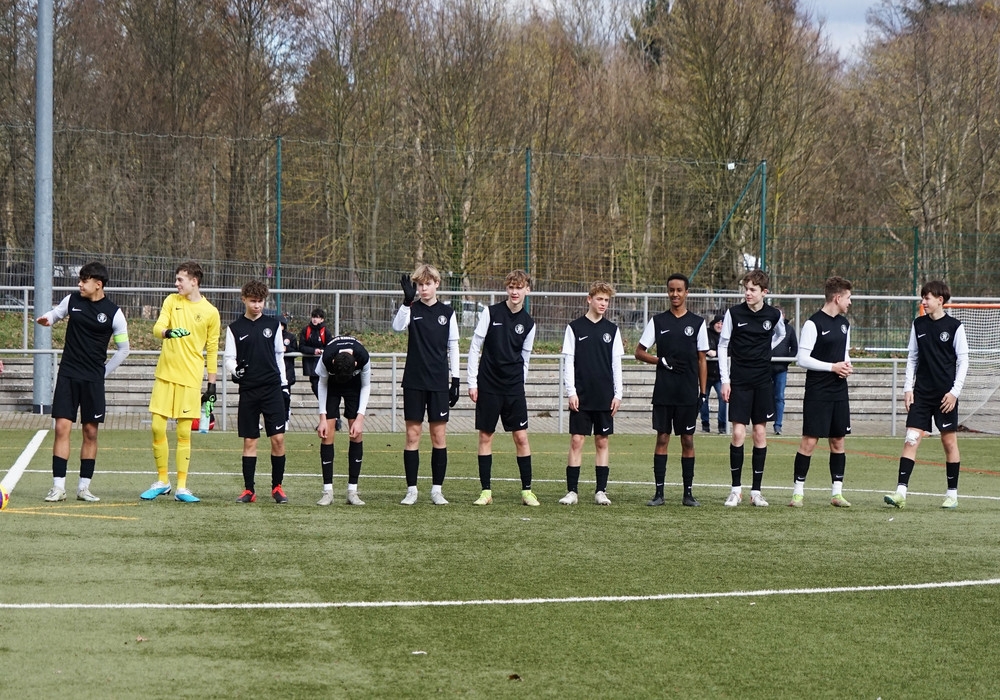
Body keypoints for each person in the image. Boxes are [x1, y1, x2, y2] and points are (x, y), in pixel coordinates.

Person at [37, 261, 130, 502]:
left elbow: (124, 349)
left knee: (90, 432)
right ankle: (58, 487)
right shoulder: (72, 300)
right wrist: (47, 318)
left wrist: (103, 372)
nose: (80, 284)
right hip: (68, 374)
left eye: (84, 280)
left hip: (93, 380)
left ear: (98, 284)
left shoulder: (114, 313)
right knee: (61, 428)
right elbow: (56, 314)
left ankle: (83, 488)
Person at [885, 280, 969, 510]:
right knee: (911, 438)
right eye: (923, 298)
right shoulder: (918, 324)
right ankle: (900, 492)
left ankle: (952, 494)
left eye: (927, 298)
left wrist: (954, 393)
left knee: (949, 441)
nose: (923, 302)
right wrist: (907, 388)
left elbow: (963, 362)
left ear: (940, 300)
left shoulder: (955, 327)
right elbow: (912, 357)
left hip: (945, 397)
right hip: (921, 394)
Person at [141, 261, 220, 503]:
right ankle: (162, 481)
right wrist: (167, 333)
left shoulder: (210, 312)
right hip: (165, 375)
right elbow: (157, 328)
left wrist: (212, 385)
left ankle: (182, 487)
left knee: (184, 432)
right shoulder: (171, 301)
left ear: (194, 281)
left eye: (180, 280)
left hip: (190, 379)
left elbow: (212, 350)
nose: (176, 284)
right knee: (157, 427)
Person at [635, 273, 707, 507]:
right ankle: (659, 494)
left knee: (688, 440)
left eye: (679, 290)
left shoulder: (697, 323)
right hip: (664, 391)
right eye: (671, 290)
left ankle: (688, 494)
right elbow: (639, 352)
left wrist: (703, 393)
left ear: (687, 293)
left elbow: (702, 360)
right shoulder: (658, 321)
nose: (675, 294)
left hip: (687, 392)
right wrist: (660, 360)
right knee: (662, 438)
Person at [467, 271, 538, 506]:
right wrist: (472, 382)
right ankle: (485, 492)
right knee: (485, 436)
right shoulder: (491, 312)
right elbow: (475, 346)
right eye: (511, 287)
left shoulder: (529, 323)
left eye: (519, 287)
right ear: (506, 289)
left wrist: (520, 385)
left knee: (521, 437)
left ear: (527, 290)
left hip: (513, 387)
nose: (515, 292)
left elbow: (525, 358)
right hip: (488, 384)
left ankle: (527, 491)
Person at [392, 263, 460, 505]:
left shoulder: (447, 313)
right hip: (414, 381)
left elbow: (453, 346)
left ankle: (436, 490)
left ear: (437, 284)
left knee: (438, 436)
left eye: (427, 284)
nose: (423, 289)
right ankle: (412, 490)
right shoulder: (412, 309)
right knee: (412, 435)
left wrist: (456, 380)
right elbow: (397, 327)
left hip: (438, 382)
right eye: (420, 285)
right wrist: (406, 302)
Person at [718, 269, 785, 507]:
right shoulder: (733, 313)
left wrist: (764, 349)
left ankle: (756, 492)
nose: (748, 293)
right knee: (738, 433)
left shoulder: (774, 315)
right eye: (746, 289)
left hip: (762, 382)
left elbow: (780, 335)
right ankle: (735, 490)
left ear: (764, 292)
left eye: (752, 290)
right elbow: (723, 345)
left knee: (759, 433)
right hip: (739, 381)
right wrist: (725, 380)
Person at [788, 277, 854, 508]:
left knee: (838, 440)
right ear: (837, 297)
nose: (850, 302)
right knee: (810, 441)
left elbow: (844, 354)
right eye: (848, 298)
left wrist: (847, 365)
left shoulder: (845, 324)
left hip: (839, 390)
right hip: (818, 391)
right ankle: (798, 493)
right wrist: (832, 367)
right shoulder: (813, 323)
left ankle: (837, 493)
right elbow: (802, 359)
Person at [560, 281, 625, 506]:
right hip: (581, 395)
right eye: (599, 299)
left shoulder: (612, 330)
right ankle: (572, 491)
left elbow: (616, 365)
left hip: (604, 396)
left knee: (602, 441)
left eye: (606, 300)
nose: (603, 304)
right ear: (589, 299)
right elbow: (569, 363)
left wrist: (618, 394)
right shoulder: (574, 328)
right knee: (577, 441)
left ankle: (601, 491)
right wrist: (571, 392)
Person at [224, 280, 290, 504]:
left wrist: (284, 385)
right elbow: (229, 359)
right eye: (253, 301)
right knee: (250, 441)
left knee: (278, 439)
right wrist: (236, 371)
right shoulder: (234, 328)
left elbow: (279, 355)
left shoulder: (273, 325)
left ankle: (277, 487)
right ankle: (249, 490)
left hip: (272, 389)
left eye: (260, 301)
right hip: (249, 390)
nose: (257, 305)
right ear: (244, 299)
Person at [316, 334, 371, 506]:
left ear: (356, 364)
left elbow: (366, 385)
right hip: (332, 386)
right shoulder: (327, 357)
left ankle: (352, 491)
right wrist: (322, 417)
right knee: (327, 433)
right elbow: (322, 384)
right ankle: (327, 491)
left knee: (356, 434)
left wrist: (360, 417)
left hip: (354, 386)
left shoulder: (362, 356)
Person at [771, 306, 798, 435]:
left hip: (781, 369)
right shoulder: (767, 327)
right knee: (763, 396)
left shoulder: (789, 329)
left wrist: (786, 361)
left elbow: (795, 348)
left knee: (779, 397)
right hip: (765, 369)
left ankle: (778, 425)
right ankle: (760, 423)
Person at [701, 314, 727, 434]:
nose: (720, 325)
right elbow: (700, 346)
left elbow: (731, 349)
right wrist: (708, 352)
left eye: (722, 323)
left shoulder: (727, 335)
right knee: (703, 399)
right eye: (718, 323)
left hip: (720, 375)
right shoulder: (706, 333)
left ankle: (722, 425)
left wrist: (717, 353)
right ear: (714, 323)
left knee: (723, 398)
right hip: (706, 373)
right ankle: (705, 424)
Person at [299, 308, 329, 398]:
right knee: (315, 384)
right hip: (311, 362)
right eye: (313, 317)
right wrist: (313, 351)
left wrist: (322, 351)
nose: (315, 319)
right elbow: (301, 346)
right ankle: (323, 402)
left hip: (322, 362)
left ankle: (325, 403)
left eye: (317, 317)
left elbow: (330, 346)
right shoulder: (306, 330)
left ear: (322, 319)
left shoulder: (325, 331)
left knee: (323, 384)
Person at [278, 316, 298, 427]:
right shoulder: (271, 336)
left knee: (286, 396)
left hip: (287, 372)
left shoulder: (290, 337)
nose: (280, 326)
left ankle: (285, 419)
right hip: (274, 372)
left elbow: (296, 351)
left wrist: (287, 349)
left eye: (282, 324)